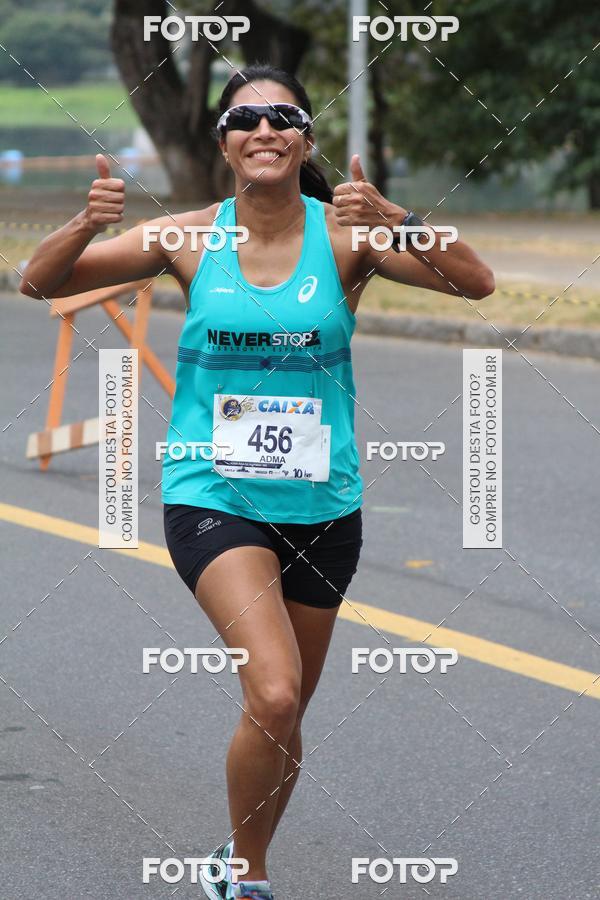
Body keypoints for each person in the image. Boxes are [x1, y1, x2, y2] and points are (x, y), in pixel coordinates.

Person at [20, 63, 494, 900]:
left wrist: (398, 218)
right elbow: (41, 279)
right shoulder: (188, 239)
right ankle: (249, 876)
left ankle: (235, 854)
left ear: (305, 139)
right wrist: (83, 223)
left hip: (324, 504)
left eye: (283, 116)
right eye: (245, 120)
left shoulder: (347, 238)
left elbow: (474, 281)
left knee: (280, 714)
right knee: (273, 689)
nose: (264, 129)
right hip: (212, 495)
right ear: (227, 146)